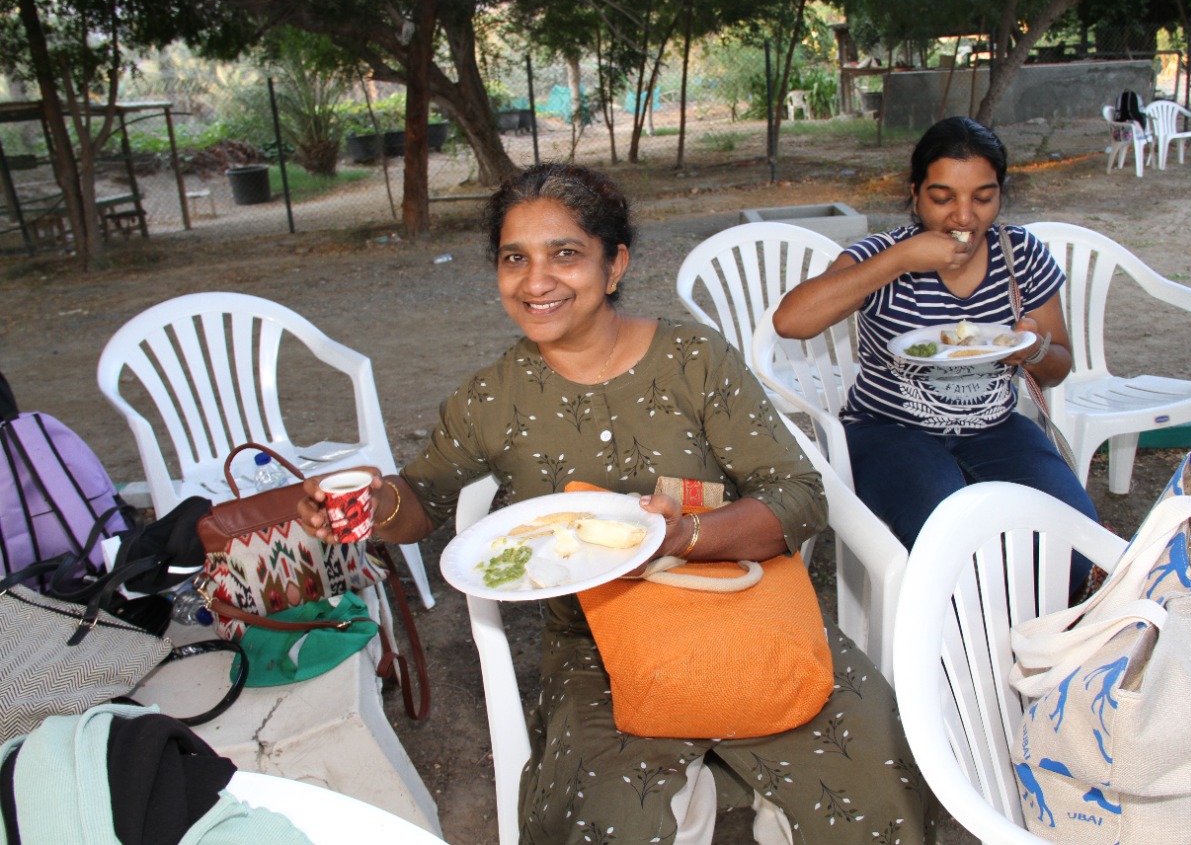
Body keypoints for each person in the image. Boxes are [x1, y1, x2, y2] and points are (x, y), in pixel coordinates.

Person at [298, 163, 934, 844]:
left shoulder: (696, 361)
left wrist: (682, 535)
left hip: (741, 607)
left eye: (564, 254)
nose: (536, 281)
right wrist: (373, 503)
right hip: (592, 647)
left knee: (877, 780)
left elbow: (799, 495)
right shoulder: (493, 397)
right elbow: (419, 501)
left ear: (614, 264)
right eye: (516, 258)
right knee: (603, 823)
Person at [774, 117, 1098, 594]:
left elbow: (1058, 365)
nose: (963, 216)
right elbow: (791, 320)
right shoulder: (883, 254)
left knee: (1079, 549)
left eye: (983, 198)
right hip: (889, 432)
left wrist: (1031, 350)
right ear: (916, 192)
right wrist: (901, 260)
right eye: (943, 197)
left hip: (995, 429)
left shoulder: (1020, 255)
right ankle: (961, 657)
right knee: (954, 547)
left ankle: (1045, 646)